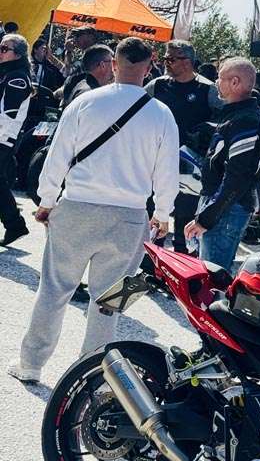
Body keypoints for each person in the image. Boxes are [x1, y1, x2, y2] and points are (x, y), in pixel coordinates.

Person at [8, 37, 179, 383]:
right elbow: (167, 172)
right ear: (149, 67)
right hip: (129, 216)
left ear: (114, 64)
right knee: (109, 303)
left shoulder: (85, 102)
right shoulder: (161, 114)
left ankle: (31, 364)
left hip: (78, 206)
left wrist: (46, 200)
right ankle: (89, 373)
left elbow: (58, 155)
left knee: (54, 289)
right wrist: (162, 214)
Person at [184, 57, 260, 272]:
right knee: (208, 273)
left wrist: (207, 218)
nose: (216, 83)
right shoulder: (239, 115)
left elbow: (237, 178)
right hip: (223, 207)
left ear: (234, 82)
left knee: (213, 277)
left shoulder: (246, 120)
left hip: (228, 210)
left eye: (220, 78)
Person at [147, 40, 223, 251]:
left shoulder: (208, 89)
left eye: (171, 59)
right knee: (152, 217)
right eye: (165, 58)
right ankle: (149, 261)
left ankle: (182, 264)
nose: (165, 63)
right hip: (156, 163)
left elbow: (226, 121)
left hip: (189, 168)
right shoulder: (157, 85)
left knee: (185, 223)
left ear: (187, 62)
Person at [0, 33, 33, 246]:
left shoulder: (17, 78)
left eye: (5, 49)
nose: (0, 52)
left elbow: (7, 115)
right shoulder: (7, 73)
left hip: (3, 138)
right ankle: (15, 225)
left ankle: (15, 224)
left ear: (18, 54)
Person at [61, 44, 115, 108]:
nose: (115, 66)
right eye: (112, 62)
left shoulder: (83, 85)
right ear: (102, 65)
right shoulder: (92, 95)